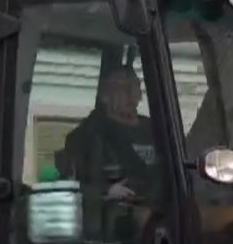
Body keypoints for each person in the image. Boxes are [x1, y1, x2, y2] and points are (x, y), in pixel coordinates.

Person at [58, 54, 160, 207]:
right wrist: (106, 191)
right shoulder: (86, 136)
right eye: (122, 87)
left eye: (135, 86)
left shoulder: (156, 130)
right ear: (105, 95)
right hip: (108, 220)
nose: (131, 93)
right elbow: (70, 187)